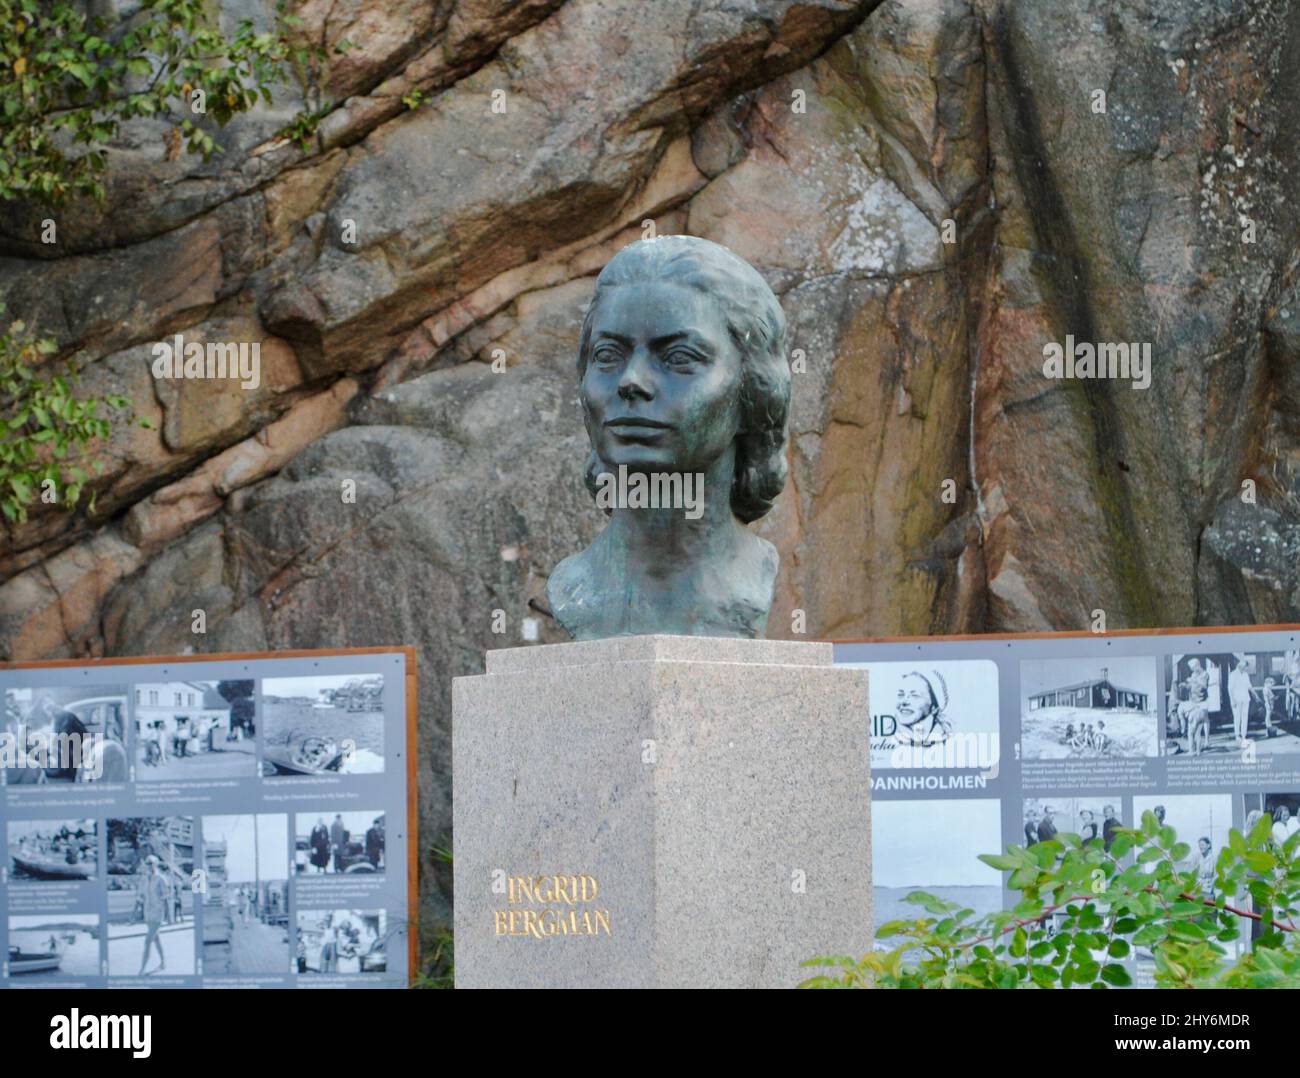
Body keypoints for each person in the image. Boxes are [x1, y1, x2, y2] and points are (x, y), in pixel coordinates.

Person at [139, 855, 169, 975]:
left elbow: (166, 896)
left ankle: (142, 969)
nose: (149, 865)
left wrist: (167, 916)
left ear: (156, 864)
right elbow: (142, 896)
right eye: (147, 863)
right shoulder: (144, 879)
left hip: (157, 913)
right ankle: (163, 962)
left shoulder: (161, 878)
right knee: (156, 939)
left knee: (147, 941)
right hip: (148, 913)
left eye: (151, 863)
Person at [1229, 657, 1253, 745]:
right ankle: (1237, 735)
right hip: (1236, 699)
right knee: (1237, 718)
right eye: (1246, 667)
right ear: (1242, 666)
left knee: (1245, 717)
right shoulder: (1233, 674)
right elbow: (1230, 689)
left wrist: (1256, 695)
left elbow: (1249, 686)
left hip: (1246, 699)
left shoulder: (1246, 674)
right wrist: (1233, 700)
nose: (1247, 669)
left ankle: (1243, 735)